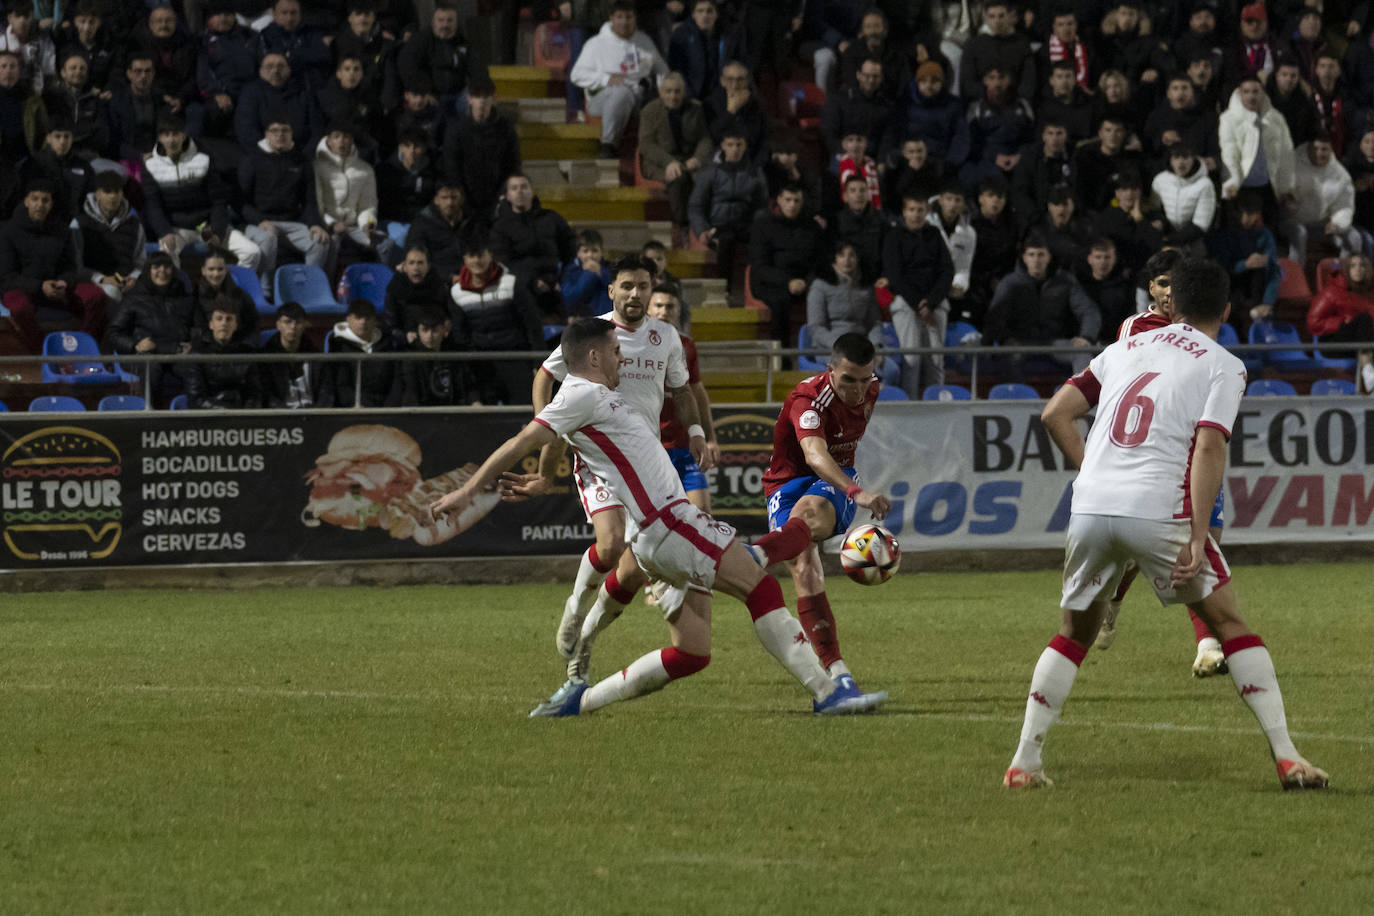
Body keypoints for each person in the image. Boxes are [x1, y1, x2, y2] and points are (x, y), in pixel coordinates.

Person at [432, 317, 885, 718]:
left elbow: (549, 437)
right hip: (670, 523)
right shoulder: (581, 394)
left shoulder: (590, 397)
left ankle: (581, 699)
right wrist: (470, 489)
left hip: (656, 533)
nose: (620, 357)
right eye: (614, 351)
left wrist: (546, 477)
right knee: (761, 587)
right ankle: (828, 693)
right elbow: (523, 440)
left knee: (692, 652)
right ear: (593, 355)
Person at [1004, 257, 1329, 792]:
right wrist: (1199, 537)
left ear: (1171, 301)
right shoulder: (1224, 364)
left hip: (1089, 507)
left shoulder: (1123, 347)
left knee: (1073, 634)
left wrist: (1098, 475)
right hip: (1160, 510)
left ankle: (1024, 762)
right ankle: (1288, 757)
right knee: (1230, 624)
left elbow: (1054, 414)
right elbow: (1208, 445)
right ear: (1225, 309)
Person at [523, 255, 710, 689]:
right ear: (612, 291)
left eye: (643, 286)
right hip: (598, 457)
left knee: (633, 569)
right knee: (608, 547)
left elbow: (682, 391)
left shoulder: (666, 337)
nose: (635, 294)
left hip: (646, 460)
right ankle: (573, 609)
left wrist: (697, 430)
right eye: (626, 286)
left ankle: (589, 641)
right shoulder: (594, 332)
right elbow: (544, 375)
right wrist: (547, 423)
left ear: (652, 288)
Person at [1094, 247, 1229, 677]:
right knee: (1146, 552)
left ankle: (1207, 645)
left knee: (1207, 541)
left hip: (1196, 449)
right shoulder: (1136, 328)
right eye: (1163, 283)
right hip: (1154, 457)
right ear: (1150, 288)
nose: (1171, 292)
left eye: (1177, 283)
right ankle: (1114, 599)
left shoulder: (1199, 327)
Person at [744, 332, 892, 692]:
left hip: (834, 481)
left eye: (865, 379)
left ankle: (755, 555)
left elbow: (827, 461)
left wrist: (846, 486)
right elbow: (814, 454)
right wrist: (857, 492)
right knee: (805, 570)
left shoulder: (873, 389)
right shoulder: (808, 399)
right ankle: (839, 674)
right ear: (829, 370)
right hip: (787, 482)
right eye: (848, 380)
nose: (858, 390)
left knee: (811, 510)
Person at [143, 115, 263, 278]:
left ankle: (231, 291)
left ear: (184, 135)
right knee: (166, 253)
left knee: (252, 252)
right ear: (160, 138)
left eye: (176, 134)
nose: (172, 140)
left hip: (207, 226)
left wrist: (217, 233)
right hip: (177, 228)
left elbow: (218, 201)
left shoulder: (203, 159)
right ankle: (180, 297)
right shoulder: (151, 165)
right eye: (166, 135)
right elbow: (153, 205)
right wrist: (164, 231)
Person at [0, 179, 107, 353]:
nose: (39, 205)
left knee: (95, 296)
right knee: (19, 307)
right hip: (25, 288)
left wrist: (63, 282)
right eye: (35, 199)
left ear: (51, 204)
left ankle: (84, 350)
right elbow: (6, 277)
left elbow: (71, 268)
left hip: (58, 288)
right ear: (26, 201)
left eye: (45, 200)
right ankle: (45, 351)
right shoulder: (8, 231)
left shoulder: (61, 230)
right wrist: (40, 286)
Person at [983, 233, 1099, 381]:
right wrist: (1005, 338)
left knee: (1082, 353)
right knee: (1009, 355)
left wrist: (1086, 336)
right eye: (1031, 255)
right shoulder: (1010, 283)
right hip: (1020, 342)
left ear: (1048, 257)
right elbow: (995, 317)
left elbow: (1088, 310)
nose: (1036, 260)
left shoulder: (1065, 281)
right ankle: (1016, 399)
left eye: (1041, 254)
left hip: (1055, 342)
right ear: (1024, 258)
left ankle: (1083, 399)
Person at [450, 229, 543, 404]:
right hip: (482, 366)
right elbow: (461, 334)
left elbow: (532, 325)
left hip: (515, 359)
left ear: (490, 255)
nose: (477, 260)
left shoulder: (511, 283)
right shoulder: (457, 293)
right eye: (471, 256)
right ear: (465, 260)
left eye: (481, 255)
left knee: (522, 417)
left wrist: (537, 363)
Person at [647, 284, 717, 514]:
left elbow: (697, 393)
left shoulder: (687, 345)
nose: (663, 311)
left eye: (670, 306)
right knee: (655, 520)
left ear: (678, 311)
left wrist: (710, 438)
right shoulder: (633, 345)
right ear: (648, 308)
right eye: (658, 305)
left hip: (685, 446)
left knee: (702, 515)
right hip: (651, 449)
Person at [568, 0, 666, 158]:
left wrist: (664, 92)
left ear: (635, 19)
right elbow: (577, 75)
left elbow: (663, 71)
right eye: (619, 17)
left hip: (639, 96)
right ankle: (608, 145)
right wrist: (606, 79)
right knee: (622, 92)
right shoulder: (596, 44)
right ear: (612, 19)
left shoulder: (644, 42)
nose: (624, 22)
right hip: (603, 97)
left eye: (629, 17)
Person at [240, 118, 331, 282]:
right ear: (267, 135)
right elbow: (241, 201)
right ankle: (265, 292)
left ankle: (308, 288)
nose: (280, 135)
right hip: (259, 223)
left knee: (320, 240)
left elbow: (309, 200)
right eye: (275, 131)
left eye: (285, 131)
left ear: (291, 135)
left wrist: (315, 224)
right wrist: (260, 220)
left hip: (291, 223)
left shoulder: (301, 161)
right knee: (268, 237)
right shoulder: (252, 160)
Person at [881, 194, 952, 394]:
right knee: (911, 359)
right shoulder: (894, 237)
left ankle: (937, 405)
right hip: (905, 302)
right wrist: (918, 304)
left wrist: (931, 302)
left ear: (926, 212)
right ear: (904, 212)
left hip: (935, 303)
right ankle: (910, 407)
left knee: (936, 359)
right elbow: (895, 275)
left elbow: (947, 270)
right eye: (912, 210)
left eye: (920, 210)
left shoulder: (935, 234)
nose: (916, 214)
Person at [104, 251, 195, 404]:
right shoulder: (133, 298)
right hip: (145, 355)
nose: (162, 271)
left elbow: (198, 327)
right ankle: (149, 416)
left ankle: (199, 417)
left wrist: (193, 344)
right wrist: (135, 345)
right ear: (148, 270)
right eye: (156, 267)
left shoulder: (184, 297)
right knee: (151, 368)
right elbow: (113, 333)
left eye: (167, 267)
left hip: (177, 352)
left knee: (195, 369)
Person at [489, 172, 576, 322]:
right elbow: (504, 262)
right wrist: (532, 281)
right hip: (522, 288)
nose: (520, 191)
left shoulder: (551, 218)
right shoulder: (500, 227)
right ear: (507, 196)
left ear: (532, 191)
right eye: (514, 188)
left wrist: (559, 280)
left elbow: (570, 248)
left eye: (524, 187)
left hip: (556, 284)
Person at [749, 182, 826, 348]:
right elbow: (759, 265)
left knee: (826, 293)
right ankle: (783, 357)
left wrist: (808, 281)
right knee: (780, 301)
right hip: (770, 281)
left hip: (805, 281)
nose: (792, 205)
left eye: (797, 200)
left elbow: (819, 260)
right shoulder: (762, 225)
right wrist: (788, 282)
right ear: (779, 200)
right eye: (788, 200)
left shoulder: (811, 226)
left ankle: (819, 350)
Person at [313, 121, 397, 271]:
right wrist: (331, 223)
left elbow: (368, 205)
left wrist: (368, 224)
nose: (341, 141)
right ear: (329, 141)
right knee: (331, 242)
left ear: (352, 140)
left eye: (346, 137)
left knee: (386, 244)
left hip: (353, 227)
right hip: (328, 226)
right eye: (336, 137)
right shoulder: (317, 166)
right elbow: (316, 204)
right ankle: (328, 289)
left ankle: (382, 290)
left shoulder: (365, 169)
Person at [637, 71, 712, 235]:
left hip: (689, 159)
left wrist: (698, 158)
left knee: (711, 177)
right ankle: (684, 226)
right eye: (668, 91)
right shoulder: (649, 111)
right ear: (660, 92)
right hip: (659, 162)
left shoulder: (696, 108)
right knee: (678, 177)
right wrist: (669, 162)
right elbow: (646, 144)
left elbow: (705, 139)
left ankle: (709, 225)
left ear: (683, 92)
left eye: (677, 91)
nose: (673, 96)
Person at [688, 129, 766, 281]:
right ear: (723, 146)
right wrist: (702, 229)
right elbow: (696, 206)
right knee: (726, 241)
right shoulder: (710, 173)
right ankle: (724, 289)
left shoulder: (755, 173)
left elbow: (761, 205)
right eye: (730, 145)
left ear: (745, 146)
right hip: (719, 225)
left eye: (739, 145)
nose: (735, 149)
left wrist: (758, 225)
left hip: (745, 224)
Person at [440, 75, 520, 221]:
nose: (482, 101)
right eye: (477, 96)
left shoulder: (505, 129)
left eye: (486, 96)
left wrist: (502, 197)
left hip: (498, 199)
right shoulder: (456, 130)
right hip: (464, 202)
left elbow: (513, 165)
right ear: (469, 99)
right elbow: (452, 169)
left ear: (494, 99)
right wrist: (463, 200)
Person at [1219, 78, 1296, 222]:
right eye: (1246, 92)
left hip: (1268, 187)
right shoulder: (1228, 119)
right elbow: (1229, 152)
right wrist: (1232, 181)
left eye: (1255, 91)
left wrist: (1287, 186)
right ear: (1239, 94)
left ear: (1262, 94)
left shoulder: (1276, 118)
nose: (1251, 96)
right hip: (1241, 187)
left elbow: (1286, 154)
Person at [1282, 137, 1360, 265]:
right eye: (1315, 149)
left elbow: (1345, 205)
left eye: (1324, 149)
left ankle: (1341, 275)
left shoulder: (1340, 174)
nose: (1319, 153)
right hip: (1292, 221)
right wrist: (1287, 203)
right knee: (1299, 233)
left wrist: (1337, 223)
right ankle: (1297, 277)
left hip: (1321, 224)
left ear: (1331, 150)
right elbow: (1279, 193)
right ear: (1308, 148)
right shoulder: (1291, 164)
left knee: (1354, 237)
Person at [395, 2, 481, 118]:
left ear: (456, 23)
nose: (445, 24)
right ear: (434, 22)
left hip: (458, 94)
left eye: (450, 20)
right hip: (432, 95)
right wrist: (423, 92)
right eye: (441, 20)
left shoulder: (463, 42)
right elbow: (406, 65)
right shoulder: (420, 41)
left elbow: (477, 69)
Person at [76, 171, 146, 304]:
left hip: (128, 281)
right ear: (97, 194)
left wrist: (134, 277)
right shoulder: (80, 223)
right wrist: (101, 278)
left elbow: (140, 262)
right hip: (94, 282)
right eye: (107, 191)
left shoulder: (135, 224)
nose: (113, 196)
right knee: (112, 292)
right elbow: (75, 264)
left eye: (117, 191)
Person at [806, 241, 883, 355]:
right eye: (842, 255)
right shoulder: (820, 285)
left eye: (851, 255)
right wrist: (839, 346)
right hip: (830, 348)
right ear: (835, 258)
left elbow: (873, 323)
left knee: (890, 369)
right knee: (851, 369)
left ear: (858, 259)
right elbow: (816, 327)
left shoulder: (866, 287)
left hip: (861, 347)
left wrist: (875, 346)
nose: (847, 260)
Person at [184, 300, 264, 409]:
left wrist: (245, 414)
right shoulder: (197, 354)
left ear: (235, 325)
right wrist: (229, 412)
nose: (224, 323)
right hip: (209, 419)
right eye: (219, 318)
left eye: (229, 319)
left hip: (243, 418)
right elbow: (196, 400)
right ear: (211, 324)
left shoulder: (248, 353)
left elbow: (255, 394)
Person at [324, 297, 398, 407]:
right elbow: (341, 385)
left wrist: (391, 406)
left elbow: (395, 379)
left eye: (367, 318)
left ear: (374, 320)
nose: (363, 322)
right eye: (358, 317)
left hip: (386, 407)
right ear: (348, 320)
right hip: (352, 408)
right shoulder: (337, 345)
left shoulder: (387, 342)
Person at [404, 180, 478, 287]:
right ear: (436, 200)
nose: (450, 203)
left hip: (472, 275)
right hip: (437, 281)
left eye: (454, 197)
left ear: (461, 199)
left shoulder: (472, 221)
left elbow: (483, 250)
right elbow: (416, 260)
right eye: (444, 198)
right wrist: (449, 277)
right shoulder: (422, 224)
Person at [398, 307, 475, 406]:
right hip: (424, 414)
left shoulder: (455, 355)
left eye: (434, 331)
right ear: (418, 331)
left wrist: (475, 402)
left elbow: (468, 387)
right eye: (425, 330)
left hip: (453, 413)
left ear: (444, 330)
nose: (429, 336)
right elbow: (411, 393)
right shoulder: (410, 358)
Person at [1152, 142, 1216, 254]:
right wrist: (1161, 224)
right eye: (1176, 157)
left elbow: (1201, 224)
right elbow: (1154, 209)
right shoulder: (1160, 180)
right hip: (1165, 238)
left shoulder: (1205, 184)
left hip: (1193, 241)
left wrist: (1173, 240)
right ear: (1171, 160)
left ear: (1193, 159)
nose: (1181, 162)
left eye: (1185, 157)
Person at [258, 301, 322, 408]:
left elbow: (326, 391)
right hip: (281, 418)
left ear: (305, 325)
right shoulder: (266, 358)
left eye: (298, 322)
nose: (293, 327)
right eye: (288, 322)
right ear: (278, 325)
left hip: (314, 416)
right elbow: (267, 396)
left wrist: (320, 413)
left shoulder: (316, 355)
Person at [192, 247, 257, 346]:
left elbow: (253, 327)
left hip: (238, 351)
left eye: (220, 269)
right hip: (206, 351)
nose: (216, 274)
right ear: (203, 271)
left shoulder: (241, 296)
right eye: (211, 269)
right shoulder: (193, 296)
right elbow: (195, 329)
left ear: (226, 269)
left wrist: (244, 348)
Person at [385, 244, 450, 342]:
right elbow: (391, 326)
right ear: (404, 267)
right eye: (411, 263)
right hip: (406, 344)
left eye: (420, 263)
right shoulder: (395, 290)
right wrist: (405, 336)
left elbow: (449, 316)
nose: (416, 267)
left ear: (428, 266)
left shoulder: (439, 286)